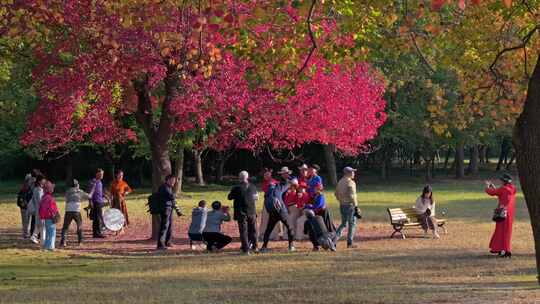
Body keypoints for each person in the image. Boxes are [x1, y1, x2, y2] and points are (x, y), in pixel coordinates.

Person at [261, 167, 295, 252]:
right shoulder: (286, 183)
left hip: (272, 210)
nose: (288, 174)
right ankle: (291, 246)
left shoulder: (275, 184)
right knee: (290, 227)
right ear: (285, 174)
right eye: (287, 173)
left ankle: (264, 247)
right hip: (281, 210)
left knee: (269, 229)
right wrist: (291, 180)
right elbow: (292, 182)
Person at [485, 174, 517, 258]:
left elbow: (492, 192)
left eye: (502, 180)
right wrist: (493, 186)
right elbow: (499, 192)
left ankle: (504, 251)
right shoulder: (512, 188)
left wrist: (488, 186)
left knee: (501, 232)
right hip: (509, 213)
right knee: (506, 232)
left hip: (502, 213)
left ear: (504, 181)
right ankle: (501, 249)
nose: (501, 182)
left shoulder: (503, 189)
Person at [228, 171, 259, 255]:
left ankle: (246, 249)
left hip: (241, 212)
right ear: (247, 177)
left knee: (243, 231)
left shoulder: (236, 188)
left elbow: (229, 197)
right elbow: (256, 198)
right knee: (253, 230)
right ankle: (255, 247)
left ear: (239, 178)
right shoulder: (253, 187)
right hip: (252, 211)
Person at [304, 185, 336, 251]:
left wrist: (309, 206)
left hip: (324, 213)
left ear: (319, 189)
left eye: (316, 189)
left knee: (328, 228)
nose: (314, 190)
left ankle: (332, 244)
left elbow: (317, 206)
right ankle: (318, 245)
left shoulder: (321, 196)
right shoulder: (316, 196)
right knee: (318, 230)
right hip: (318, 214)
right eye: (315, 188)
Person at [60, 179, 89, 247]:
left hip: (68, 210)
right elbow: (89, 196)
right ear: (77, 185)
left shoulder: (67, 191)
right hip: (76, 211)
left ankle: (63, 242)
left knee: (65, 227)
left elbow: (66, 198)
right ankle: (80, 242)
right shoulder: (79, 191)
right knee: (79, 226)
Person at [335, 166, 359, 248]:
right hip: (350, 206)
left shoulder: (340, 181)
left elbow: (336, 194)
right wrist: (356, 206)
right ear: (348, 173)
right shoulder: (351, 182)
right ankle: (350, 242)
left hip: (342, 205)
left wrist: (341, 200)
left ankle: (333, 239)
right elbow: (352, 196)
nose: (354, 173)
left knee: (343, 224)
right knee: (352, 224)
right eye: (352, 172)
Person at [157, 174, 180, 250]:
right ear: (167, 180)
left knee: (169, 225)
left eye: (174, 181)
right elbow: (171, 196)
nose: (173, 182)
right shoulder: (164, 187)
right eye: (172, 180)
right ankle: (160, 244)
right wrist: (175, 194)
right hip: (165, 209)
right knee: (164, 226)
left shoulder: (168, 187)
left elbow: (171, 198)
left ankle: (168, 242)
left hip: (169, 208)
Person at [259, 168, 281, 241]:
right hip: (267, 201)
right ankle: (264, 234)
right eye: (264, 174)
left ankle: (275, 235)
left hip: (274, 202)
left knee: (273, 218)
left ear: (270, 174)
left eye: (267, 174)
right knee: (265, 218)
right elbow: (264, 190)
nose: (265, 175)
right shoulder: (265, 182)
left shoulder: (274, 182)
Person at [38, 181, 59, 251]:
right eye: (52, 188)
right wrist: (55, 214)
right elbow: (52, 208)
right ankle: (50, 247)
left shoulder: (44, 197)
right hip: (50, 217)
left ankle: (47, 246)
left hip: (46, 217)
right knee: (52, 232)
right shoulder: (49, 198)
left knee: (48, 232)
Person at [89, 169, 107, 238]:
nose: (102, 175)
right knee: (97, 218)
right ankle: (98, 233)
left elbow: (100, 192)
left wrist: (106, 196)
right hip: (95, 202)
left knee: (98, 217)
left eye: (102, 174)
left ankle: (96, 233)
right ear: (97, 174)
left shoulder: (100, 182)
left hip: (100, 201)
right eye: (101, 174)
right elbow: (90, 192)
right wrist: (90, 202)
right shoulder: (93, 182)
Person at [29, 175, 45, 244]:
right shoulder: (38, 190)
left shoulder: (37, 189)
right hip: (40, 210)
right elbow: (40, 201)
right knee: (42, 226)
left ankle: (34, 237)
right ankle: (43, 241)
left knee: (39, 226)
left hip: (38, 210)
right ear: (39, 181)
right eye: (43, 180)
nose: (44, 181)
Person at [17, 174, 34, 238]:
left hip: (28, 206)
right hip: (24, 206)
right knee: (25, 221)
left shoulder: (30, 187)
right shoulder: (24, 187)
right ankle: (25, 234)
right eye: (30, 179)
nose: (31, 181)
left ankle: (26, 233)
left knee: (28, 220)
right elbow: (21, 197)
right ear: (27, 180)